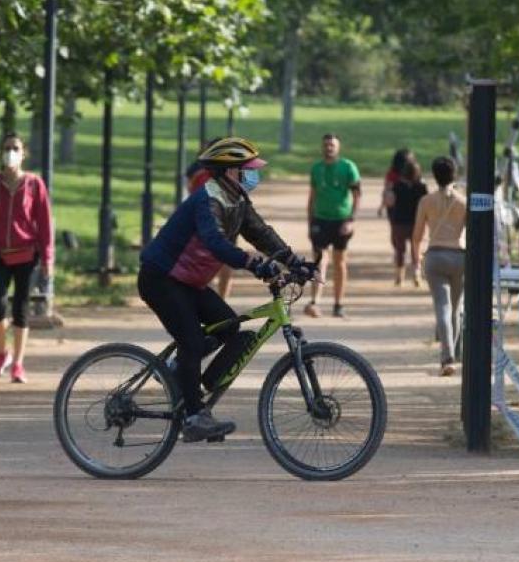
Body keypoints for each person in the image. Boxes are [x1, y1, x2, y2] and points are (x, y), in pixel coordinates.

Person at [139, 137, 313, 442]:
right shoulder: (208, 200)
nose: (255, 175)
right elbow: (215, 242)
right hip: (161, 278)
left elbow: (261, 233)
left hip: (188, 282)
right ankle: (194, 417)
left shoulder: (237, 199)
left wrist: (294, 262)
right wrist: (254, 264)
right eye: (249, 169)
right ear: (231, 171)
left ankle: (182, 376)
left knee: (230, 327)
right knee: (192, 341)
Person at [0, 133, 53, 384]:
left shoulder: (34, 185)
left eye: (15, 148)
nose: (11, 152)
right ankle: (2, 353)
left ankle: (18, 364)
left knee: (21, 307)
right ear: (1, 153)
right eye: (7, 148)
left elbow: (44, 223)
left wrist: (47, 259)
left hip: (27, 255)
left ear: (23, 154)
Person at [412, 156, 467, 377]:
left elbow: (417, 236)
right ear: (455, 174)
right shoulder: (463, 202)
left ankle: (447, 357)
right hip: (459, 255)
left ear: (434, 176)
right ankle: (454, 352)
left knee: (442, 307)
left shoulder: (426, 201)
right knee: (456, 308)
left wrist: (416, 262)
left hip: (435, 255)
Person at [304, 133, 360, 318]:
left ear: (338, 147)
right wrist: (310, 221)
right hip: (320, 219)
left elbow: (357, 195)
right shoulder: (316, 168)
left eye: (332, 145)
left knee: (339, 262)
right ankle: (315, 301)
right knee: (319, 260)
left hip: (341, 220)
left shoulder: (348, 167)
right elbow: (312, 196)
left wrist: (351, 219)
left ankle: (338, 304)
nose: (329, 148)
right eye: (326, 145)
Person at [186, 161, 237, 300]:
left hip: (202, 218)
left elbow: (190, 191)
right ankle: (221, 298)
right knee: (226, 259)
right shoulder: (230, 169)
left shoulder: (196, 169)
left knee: (204, 258)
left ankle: (210, 296)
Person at [385, 154, 427, 286]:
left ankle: (399, 276)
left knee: (400, 250)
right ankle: (416, 274)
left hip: (399, 222)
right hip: (416, 222)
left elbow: (390, 202)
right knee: (416, 249)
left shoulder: (397, 186)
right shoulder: (421, 187)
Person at [376, 148, 411, 218]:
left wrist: (381, 206)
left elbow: (386, 191)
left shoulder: (392, 173)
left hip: (400, 205)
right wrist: (382, 206)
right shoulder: (393, 174)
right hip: (399, 204)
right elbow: (387, 190)